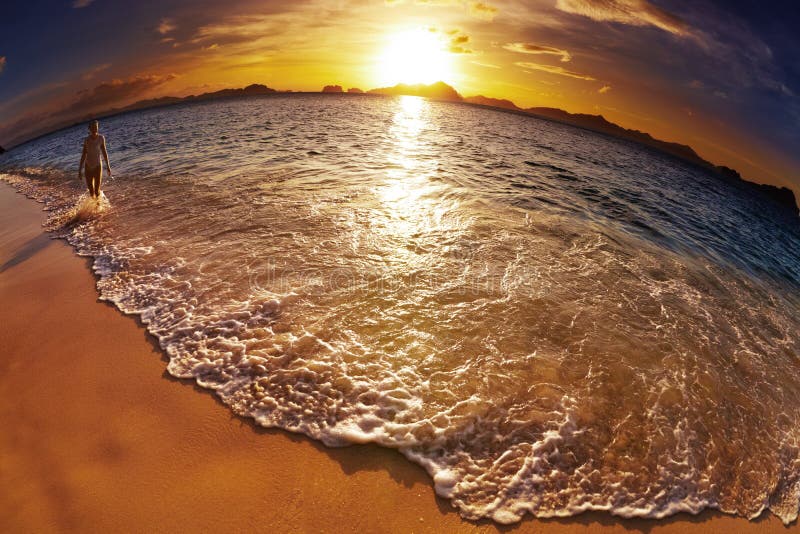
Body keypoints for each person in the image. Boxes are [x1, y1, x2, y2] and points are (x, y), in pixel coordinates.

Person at [78, 120, 112, 198]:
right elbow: (83, 154)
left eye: (96, 127)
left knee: (97, 191)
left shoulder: (101, 138)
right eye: (93, 127)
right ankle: (93, 207)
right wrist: (80, 170)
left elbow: (104, 152)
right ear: (89, 129)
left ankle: (98, 207)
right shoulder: (86, 140)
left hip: (98, 166)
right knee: (91, 192)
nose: (95, 129)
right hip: (88, 167)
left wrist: (108, 166)